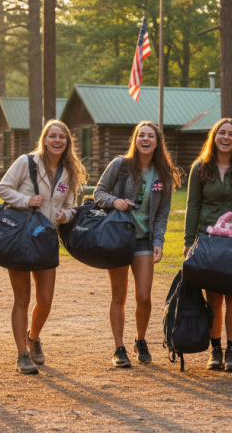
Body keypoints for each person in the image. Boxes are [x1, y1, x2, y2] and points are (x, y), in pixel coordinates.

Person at [0, 119, 86, 374]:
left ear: (67, 142)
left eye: (63, 137)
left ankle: (33, 337)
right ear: (44, 140)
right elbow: (2, 188)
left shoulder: (70, 171)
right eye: (53, 136)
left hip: (46, 239)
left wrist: (65, 216)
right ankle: (22, 354)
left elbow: (70, 205)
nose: (58, 140)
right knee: (22, 298)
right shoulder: (26, 162)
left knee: (45, 300)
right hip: (20, 237)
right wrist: (27, 200)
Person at [93, 121, 181, 367]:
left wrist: (158, 241)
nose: (145, 139)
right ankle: (119, 348)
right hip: (118, 239)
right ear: (135, 140)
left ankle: (140, 340)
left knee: (144, 296)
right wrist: (114, 201)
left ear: (157, 142)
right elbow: (98, 193)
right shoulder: (120, 165)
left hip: (143, 241)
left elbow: (162, 213)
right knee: (119, 295)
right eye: (141, 135)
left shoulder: (163, 173)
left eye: (150, 136)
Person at [182, 118, 232, 372]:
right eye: (221, 133)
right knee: (213, 297)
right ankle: (215, 350)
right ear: (214, 137)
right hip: (208, 239)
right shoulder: (200, 167)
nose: (226, 138)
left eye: (231, 134)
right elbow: (193, 205)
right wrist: (188, 242)